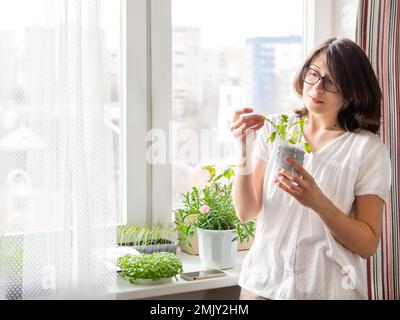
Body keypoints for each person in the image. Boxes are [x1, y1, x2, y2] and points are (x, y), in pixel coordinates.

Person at [231, 37, 391, 300]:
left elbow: (367, 244)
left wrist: (317, 201)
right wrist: (243, 150)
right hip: (262, 286)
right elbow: (246, 211)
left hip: (328, 291)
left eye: (331, 81)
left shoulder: (367, 149)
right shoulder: (276, 129)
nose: (317, 87)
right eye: (313, 74)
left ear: (352, 91)